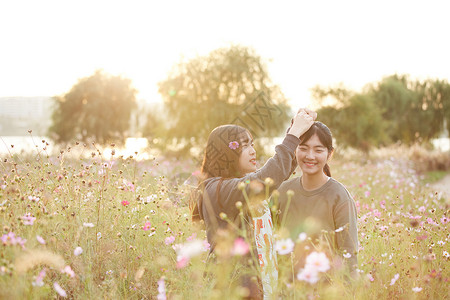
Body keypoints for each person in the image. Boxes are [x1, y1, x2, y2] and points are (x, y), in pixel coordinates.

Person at [191, 109, 316, 299]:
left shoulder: (239, 183)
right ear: (227, 152)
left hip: (260, 280)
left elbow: (276, 174)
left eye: (252, 144)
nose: (252, 150)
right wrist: (292, 136)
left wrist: (296, 133)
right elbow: (266, 179)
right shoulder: (217, 188)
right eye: (244, 146)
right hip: (233, 285)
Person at [275, 121, 358, 277]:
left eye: (318, 150)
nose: (310, 156)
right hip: (287, 289)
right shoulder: (282, 191)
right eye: (303, 148)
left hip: (325, 290)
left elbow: (349, 256)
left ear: (330, 154)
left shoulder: (339, 196)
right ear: (295, 150)